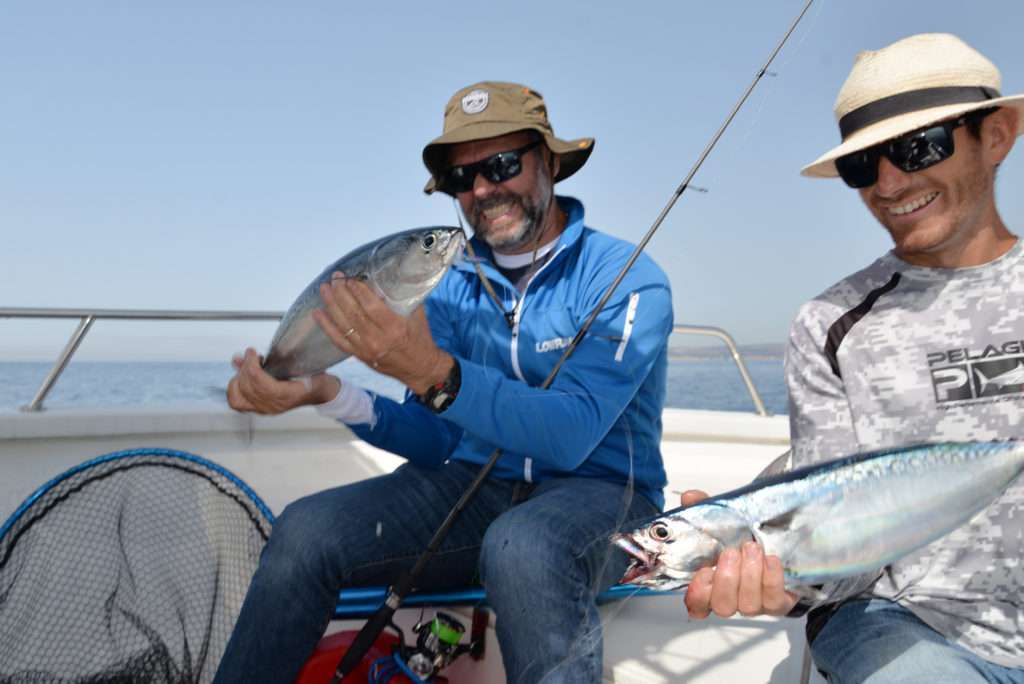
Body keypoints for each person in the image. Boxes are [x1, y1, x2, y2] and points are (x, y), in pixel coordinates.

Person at [214, 81, 673, 683]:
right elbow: (435, 441)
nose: (482, 190)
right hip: (473, 490)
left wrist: (436, 372)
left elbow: (572, 434)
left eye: (501, 164)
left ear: (551, 161)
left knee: (524, 545)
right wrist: (326, 393)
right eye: (461, 177)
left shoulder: (626, 277)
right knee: (303, 531)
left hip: (605, 495)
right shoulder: (448, 286)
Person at [682, 33, 1024, 682]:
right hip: (903, 623)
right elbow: (840, 547)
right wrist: (781, 574)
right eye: (863, 165)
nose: (888, 183)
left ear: (997, 135)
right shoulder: (831, 325)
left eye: (918, 146)